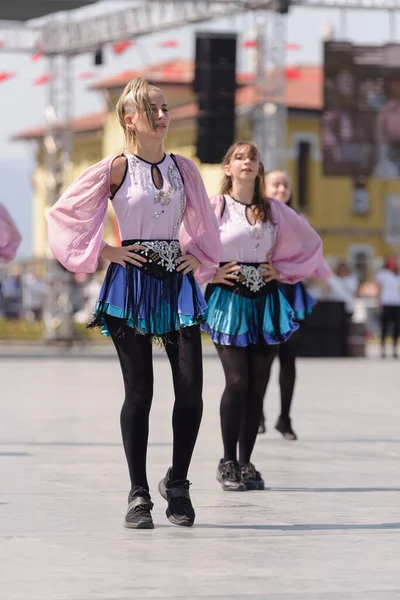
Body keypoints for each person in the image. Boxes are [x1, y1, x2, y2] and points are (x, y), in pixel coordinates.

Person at [47, 77, 220, 529]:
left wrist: (197, 256)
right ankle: (138, 492)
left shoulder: (185, 169)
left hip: (176, 284)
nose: (163, 117)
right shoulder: (116, 168)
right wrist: (105, 251)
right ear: (130, 119)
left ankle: (177, 483)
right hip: (131, 283)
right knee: (139, 390)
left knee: (192, 391)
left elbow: (205, 226)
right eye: (152, 110)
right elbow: (63, 215)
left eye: (165, 109)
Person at [201, 142, 326, 492]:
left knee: (257, 385)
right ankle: (227, 460)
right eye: (239, 157)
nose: (247, 162)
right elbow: (189, 244)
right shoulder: (217, 207)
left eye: (252, 158)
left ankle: (246, 462)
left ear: (260, 169)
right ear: (227, 168)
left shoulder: (272, 210)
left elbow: (310, 243)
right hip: (229, 301)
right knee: (237, 381)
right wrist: (211, 272)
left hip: (266, 300)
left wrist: (282, 270)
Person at [258, 170, 331, 440]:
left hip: (290, 290)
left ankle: (285, 418)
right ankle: (258, 415)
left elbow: (313, 253)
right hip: (265, 290)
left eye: (285, 185)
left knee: (288, 357)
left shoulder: (299, 219)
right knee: (264, 357)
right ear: (264, 187)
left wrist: (326, 278)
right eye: (275, 184)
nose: (281, 189)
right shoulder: (258, 216)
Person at [375, 256, 400, 358]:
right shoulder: (382, 274)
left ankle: (394, 349)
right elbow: (379, 289)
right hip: (386, 303)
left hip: (397, 303)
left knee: (397, 328)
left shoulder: (397, 275)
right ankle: (383, 349)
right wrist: (378, 302)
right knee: (385, 327)